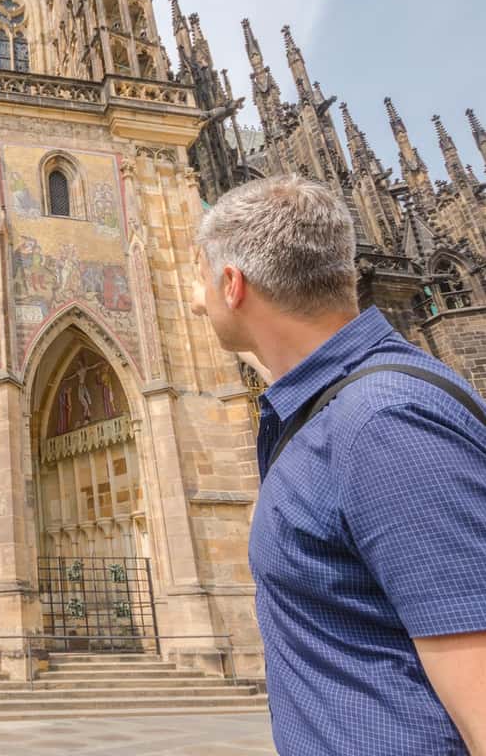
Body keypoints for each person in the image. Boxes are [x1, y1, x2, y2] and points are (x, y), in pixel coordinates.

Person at [191, 175, 486, 755]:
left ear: (232, 284)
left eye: (203, 280)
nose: (196, 298)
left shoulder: (385, 424)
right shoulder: (333, 404)